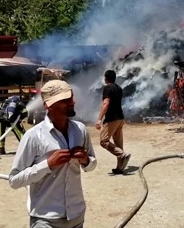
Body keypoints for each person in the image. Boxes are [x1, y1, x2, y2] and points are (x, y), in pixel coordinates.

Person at [8, 80, 96, 228]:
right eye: (65, 100)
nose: (71, 102)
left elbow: (91, 165)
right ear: (48, 105)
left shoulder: (80, 130)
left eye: (71, 98)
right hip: (46, 219)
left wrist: (85, 160)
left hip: (76, 216)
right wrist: (48, 164)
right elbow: (14, 181)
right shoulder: (33, 137)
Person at [96, 70, 131, 175]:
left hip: (111, 119)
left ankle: (122, 154)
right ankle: (120, 168)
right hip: (120, 118)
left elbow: (106, 103)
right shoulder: (119, 88)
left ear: (106, 78)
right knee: (118, 143)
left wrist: (99, 119)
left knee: (104, 141)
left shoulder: (107, 88)